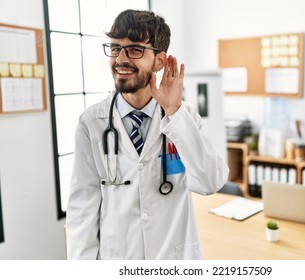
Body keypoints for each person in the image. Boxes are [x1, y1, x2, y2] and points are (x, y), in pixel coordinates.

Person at [66, 9, 229, 260]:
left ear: (160, 61)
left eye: (134, 49)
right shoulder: (91, 123)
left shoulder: (183, 117)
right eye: (115, 47)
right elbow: (82, 211)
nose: (120, 58)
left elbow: (210, 182)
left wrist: (174, 112)